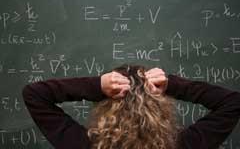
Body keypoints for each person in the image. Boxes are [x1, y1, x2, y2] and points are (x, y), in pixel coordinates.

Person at [22, 64, 240, 149]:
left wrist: (97, 86)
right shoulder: (182, 146)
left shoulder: (85, 146)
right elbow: (232, 102)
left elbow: (34, 94)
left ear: (108, 105)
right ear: (158, 106)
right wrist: (173, 85)